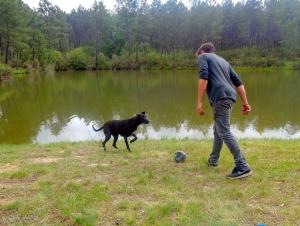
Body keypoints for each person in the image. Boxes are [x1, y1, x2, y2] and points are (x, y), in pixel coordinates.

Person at [196, 42, 252, 179]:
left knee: (223, 130)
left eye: (197, 56)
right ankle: (213, 160)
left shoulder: (203, 57)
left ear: (201, 51)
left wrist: (199, 102)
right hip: (229, 96)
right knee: (218, 130)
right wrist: (245, 103)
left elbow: (203, 78)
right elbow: (238, 82)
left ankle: (242, 166)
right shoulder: (223, 61)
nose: (197, 59)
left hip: (220, 97)